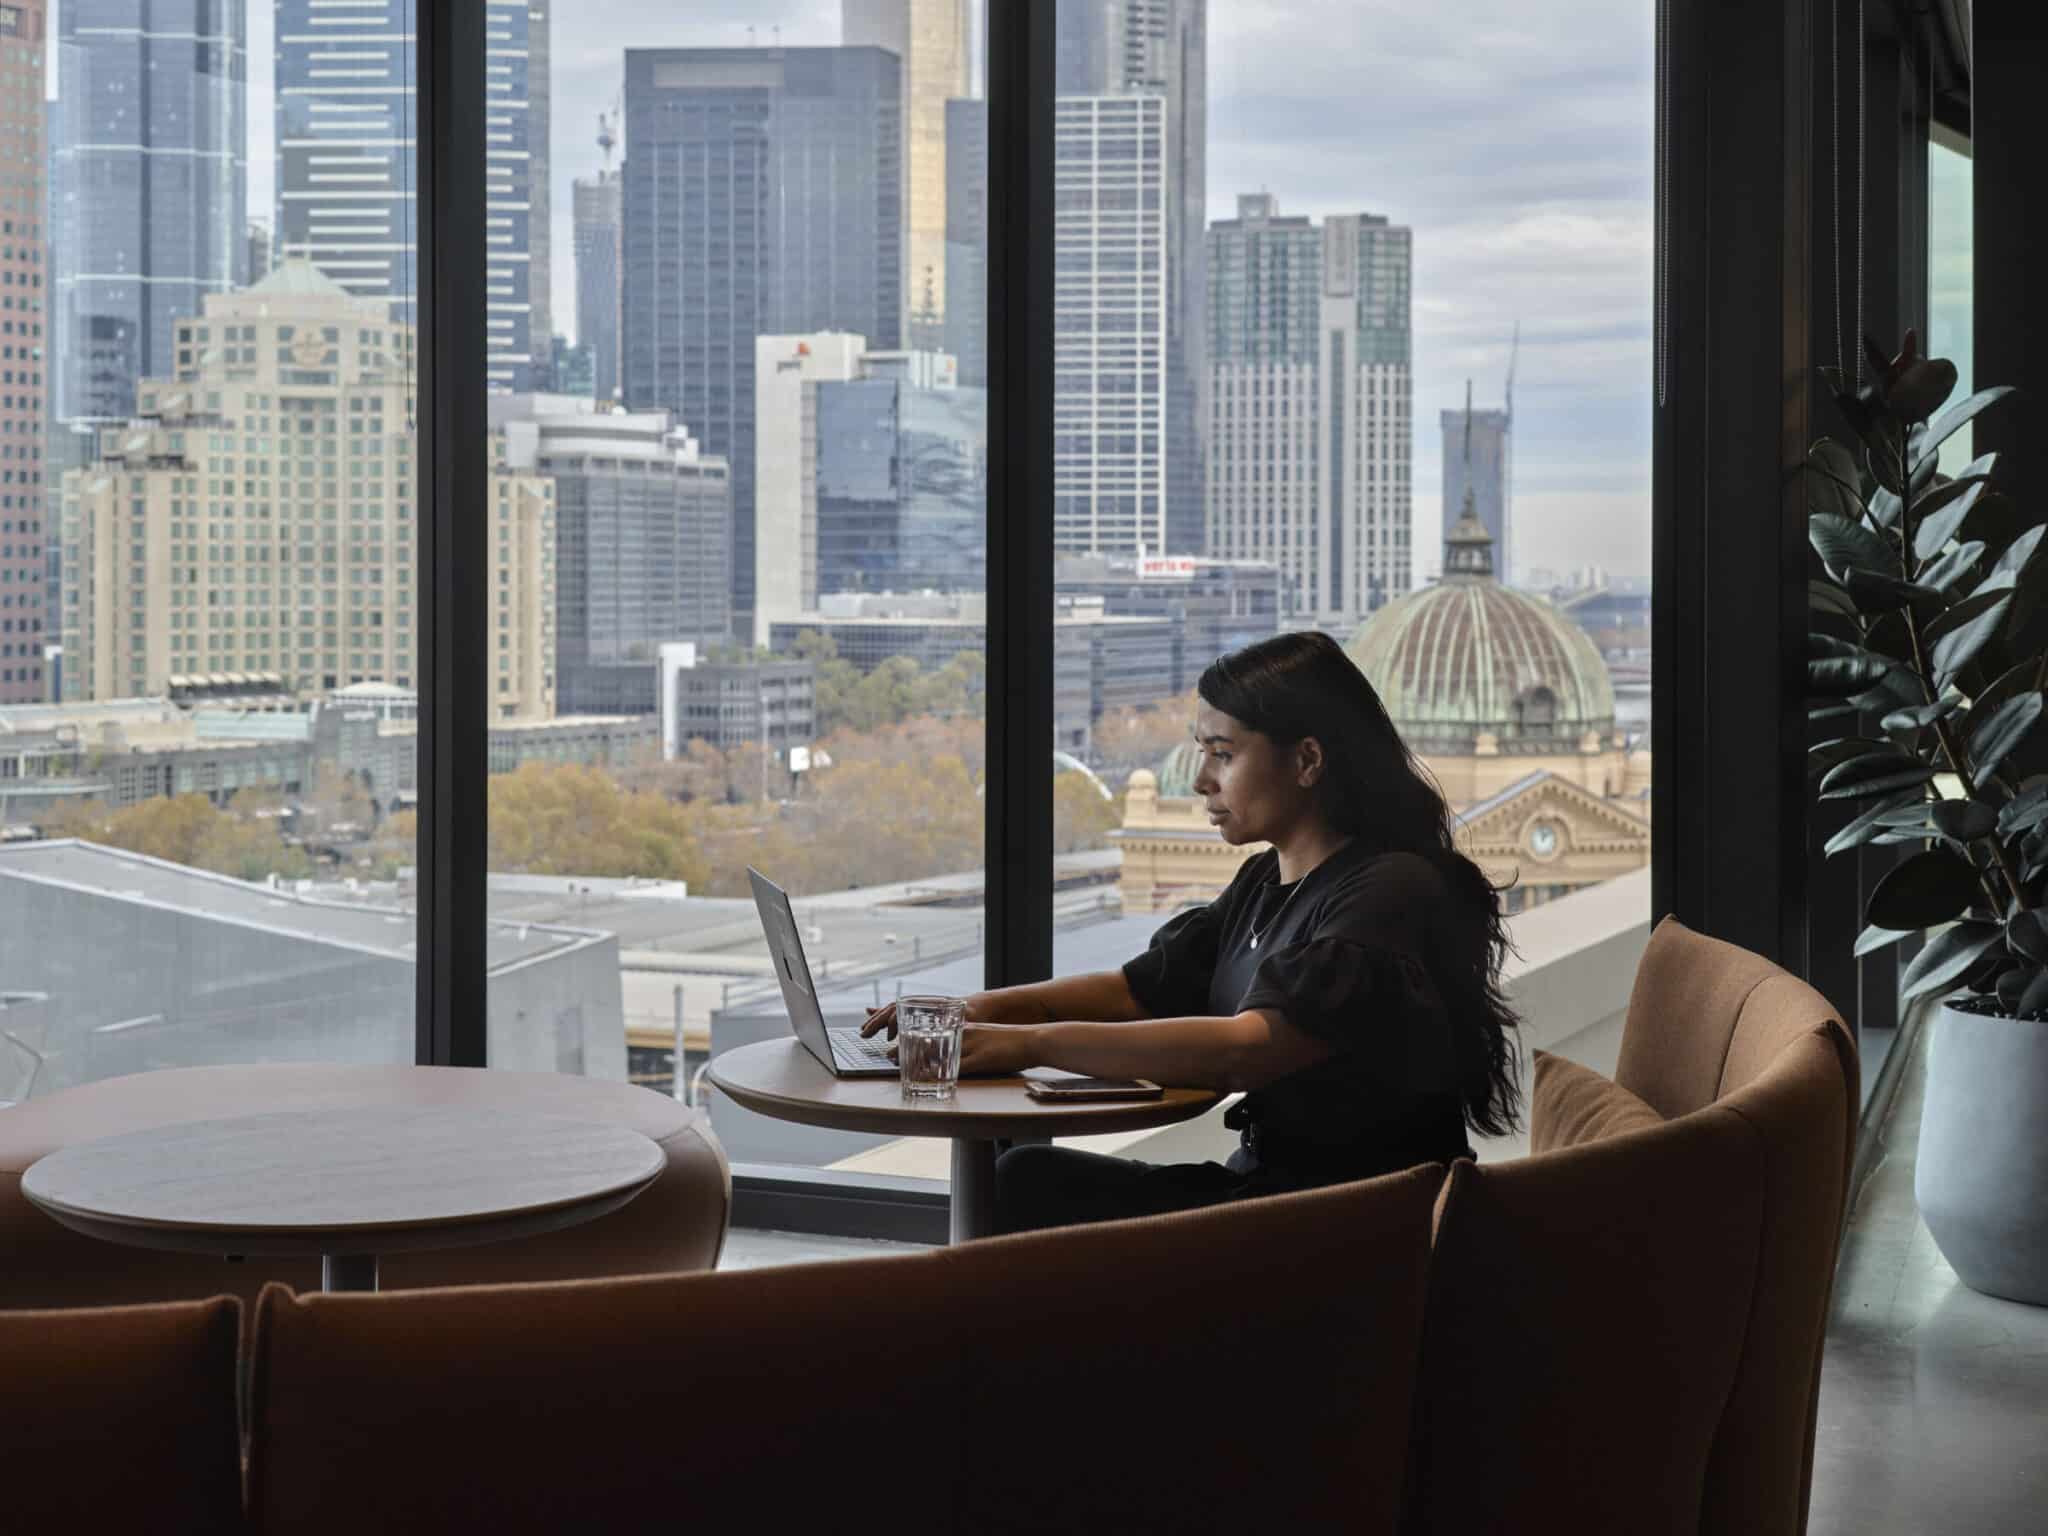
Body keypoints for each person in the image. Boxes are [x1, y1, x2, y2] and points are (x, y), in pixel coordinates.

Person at [860, 629, 1523, 1234]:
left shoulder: (1390, 888)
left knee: (1024, 1188)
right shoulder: (1266, 882)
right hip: (1273, 1193)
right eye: (1201, 751)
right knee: (1029, 1180)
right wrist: (971, 1011)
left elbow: (1246, 1048)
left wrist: (1025, 1043)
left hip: (1351, 1223)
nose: (1202, 779)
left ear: (1308, 760)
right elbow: (1134, 992)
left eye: (1222, 754)